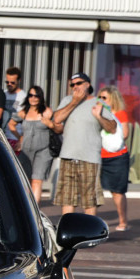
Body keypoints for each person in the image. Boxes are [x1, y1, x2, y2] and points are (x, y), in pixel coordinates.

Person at [50, 72, 116, 216]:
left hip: (89, 158)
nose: (75, 87)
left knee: (89, 200)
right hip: (68, 155)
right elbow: (56, 119)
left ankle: (90, 235)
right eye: (72, 85)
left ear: (88, 85)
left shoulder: (100, 103)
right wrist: (74, 102)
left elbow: (112, 128)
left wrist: (99, 116)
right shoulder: (67, 100)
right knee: (67, 199)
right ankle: (69, 233)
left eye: (78, 83)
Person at [10, 86, 57, 206]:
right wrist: (20, 137)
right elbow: (11, 124)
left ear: (41, 97)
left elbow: (56, 127)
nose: (33, 98)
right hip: (26, 150)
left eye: (36, 96)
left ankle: (35, 209)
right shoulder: (23, 112)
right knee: (25, 179)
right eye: (31, 95)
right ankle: (26, 207)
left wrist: (50, 124)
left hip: (43, 150)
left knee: (37, 179)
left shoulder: (46, 111)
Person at [97, 85, 131, 231]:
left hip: (117, 156)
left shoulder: (120, 114)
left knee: (117, 191)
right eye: (100, 97)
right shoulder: (98, 113)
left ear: (113, 99)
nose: (101, 100)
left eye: (104, 97)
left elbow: (124, 133)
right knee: (95, 190)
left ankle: (123, 221)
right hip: (99, 156)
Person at [1, 66, 26, 148]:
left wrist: (21, 138)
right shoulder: (3, 94)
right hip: (2, 136)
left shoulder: (23, 97)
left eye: (12, 82)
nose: (9, 84)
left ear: (19, 81)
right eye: (7, 82)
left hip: (16, 137)